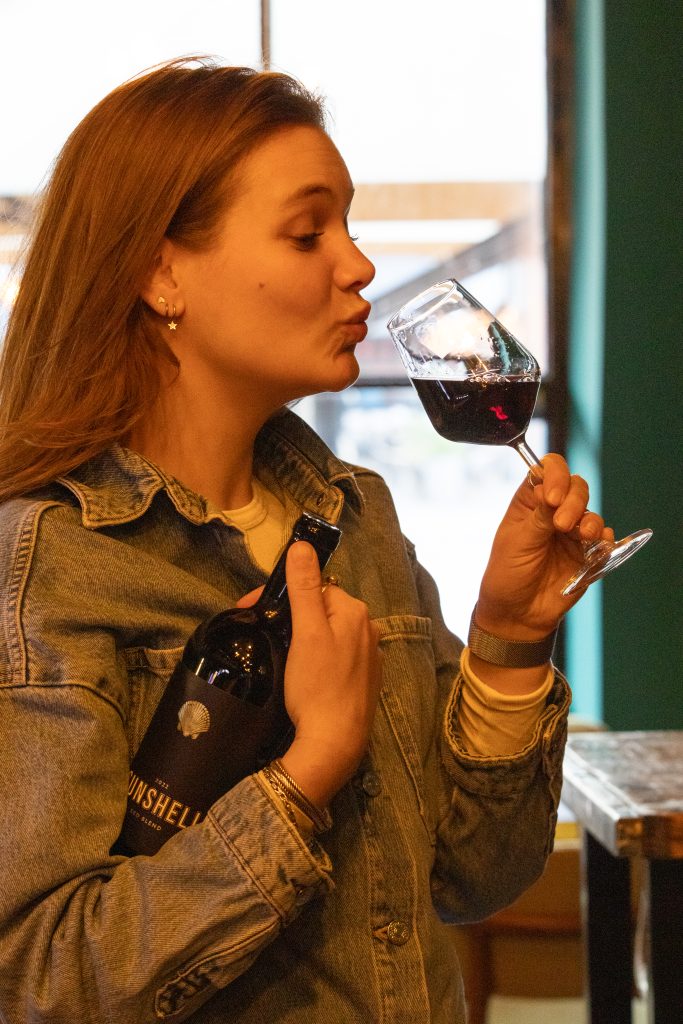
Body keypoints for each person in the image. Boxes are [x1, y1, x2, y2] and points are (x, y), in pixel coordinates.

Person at [0, 58, 610, 1023]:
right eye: (307, 231)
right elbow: (41, 979)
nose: (359, 265)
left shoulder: (356, 518)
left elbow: (472, 873)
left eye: (350, 226)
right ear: (160, 273)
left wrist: (510, 642)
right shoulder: (52, 565)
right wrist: (304, 773)